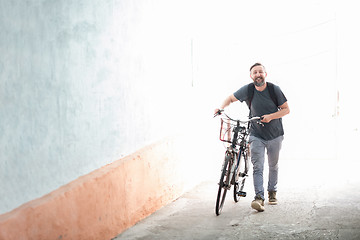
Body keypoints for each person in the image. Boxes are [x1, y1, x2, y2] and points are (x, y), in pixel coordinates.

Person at [214, 63, 290, 212]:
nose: (258, 74)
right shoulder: (248, 89)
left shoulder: (274, 89)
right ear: (251, 76)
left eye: (260, 72)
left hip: (275, 134)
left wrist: (271, 117)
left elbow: (286, 109)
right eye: (254, 72)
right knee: (258, 166)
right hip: (256, 134)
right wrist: (221, 107)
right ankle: (259, 198)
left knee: (273, 165)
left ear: (265, 74)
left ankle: (272, 192)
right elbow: (230, 98)